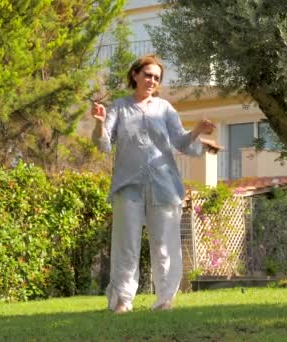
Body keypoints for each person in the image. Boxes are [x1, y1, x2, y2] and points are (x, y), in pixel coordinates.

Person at [91, 54, 216, 313]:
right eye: (147, 74)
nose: (152, 80)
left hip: (165, 185)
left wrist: (197, 131)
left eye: (156, 77)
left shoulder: (165, 109)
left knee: (165, 245)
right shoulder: (119, 107)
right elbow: (103, 145)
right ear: (135, 75)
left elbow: (181, 142)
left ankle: (165, 300)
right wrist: (99, 123)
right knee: (127, 245)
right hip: (128, 186)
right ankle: (123, 300)